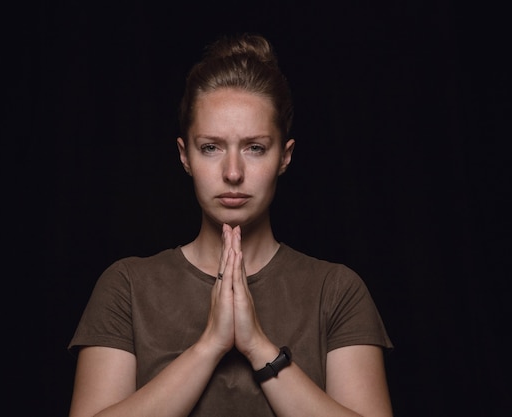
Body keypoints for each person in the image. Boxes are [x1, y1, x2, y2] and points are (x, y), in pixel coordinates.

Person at [68, 32, 394, 417]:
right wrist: (210, 345)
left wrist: (258, 346)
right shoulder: (126, 286)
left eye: (255, 147)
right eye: (211, 147)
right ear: (184, 155)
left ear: (285, 157)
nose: (233, 173)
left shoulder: (337, 291)